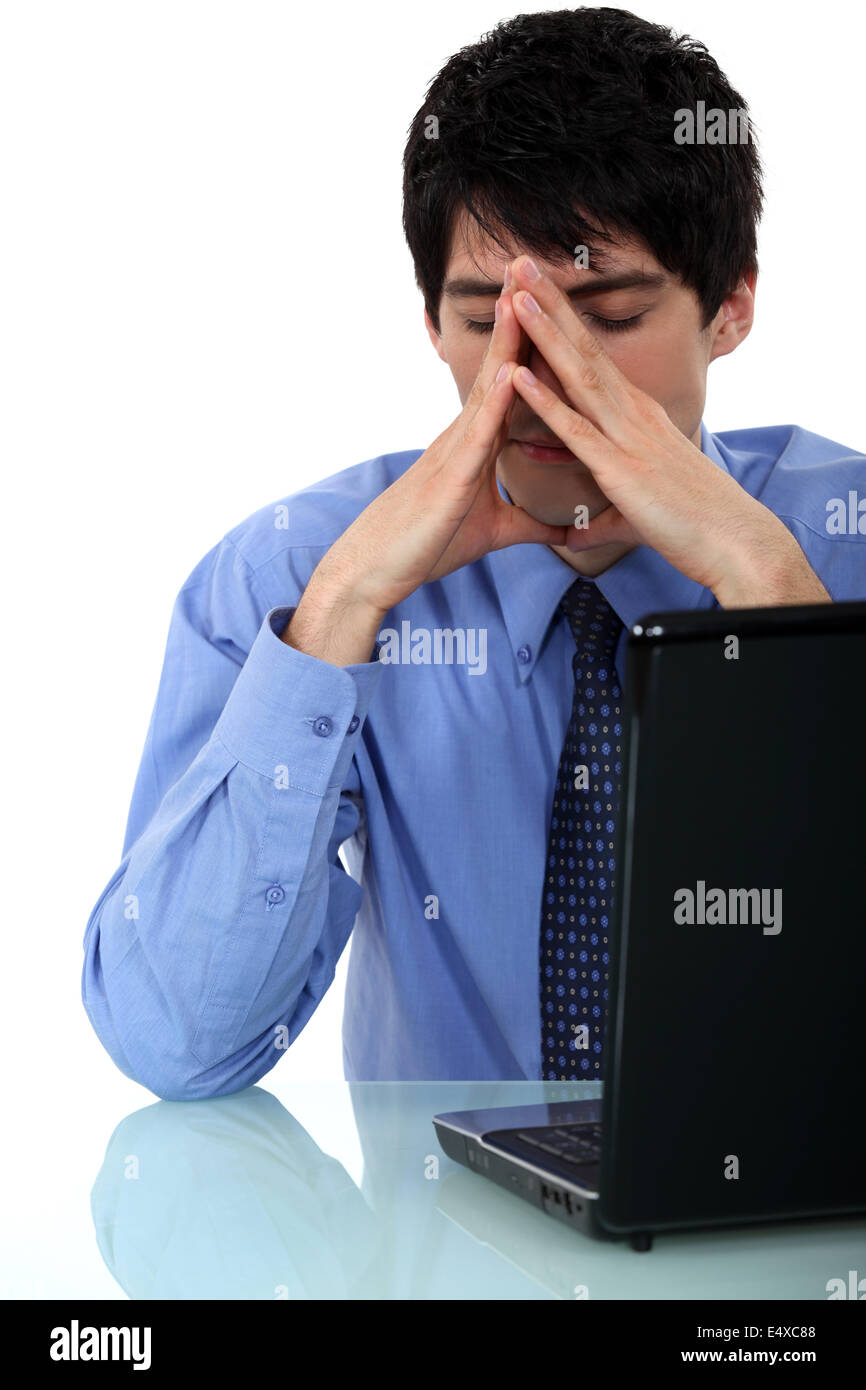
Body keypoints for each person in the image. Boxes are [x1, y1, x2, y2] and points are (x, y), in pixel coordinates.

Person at [81, 7, 865, 1099]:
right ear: (428, 322)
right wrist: (340, 609)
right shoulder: (292, 575)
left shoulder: (847, 540)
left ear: (730, 303)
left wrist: (773, 597)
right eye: (486, 318)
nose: (542, 375)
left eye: (609, 313)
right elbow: (175, 1044)